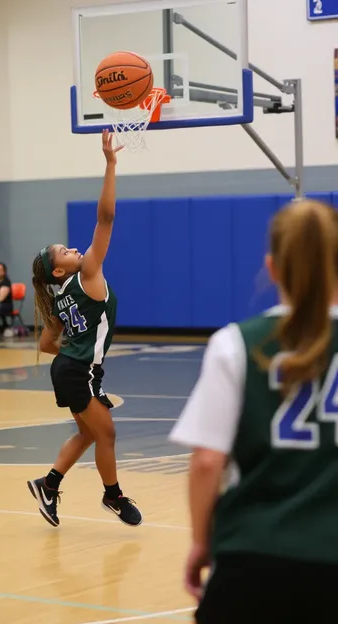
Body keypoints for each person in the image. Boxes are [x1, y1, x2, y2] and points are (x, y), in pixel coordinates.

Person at [169, 199, 338, 624]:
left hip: (253, 559)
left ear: (273, 267)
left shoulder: (236, 343)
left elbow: (207, 461)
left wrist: (200, 541)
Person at [27, 130, 142, 528]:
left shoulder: (60, 296)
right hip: (78, 372)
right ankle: (113, 496)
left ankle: (49, 483)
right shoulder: (88, 273)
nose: (75, 249)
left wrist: (76, 350)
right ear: (60, 269)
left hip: (73, 369)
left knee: (92, 434)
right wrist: (111, 164)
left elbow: (46, 343)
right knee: (106, 433)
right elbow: (105, 218)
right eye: (66, 251)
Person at [0, 262, 13, 334]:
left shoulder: (6, 282)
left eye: (0, 270)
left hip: (4, 305)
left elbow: (1, 298)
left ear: (4, 272)